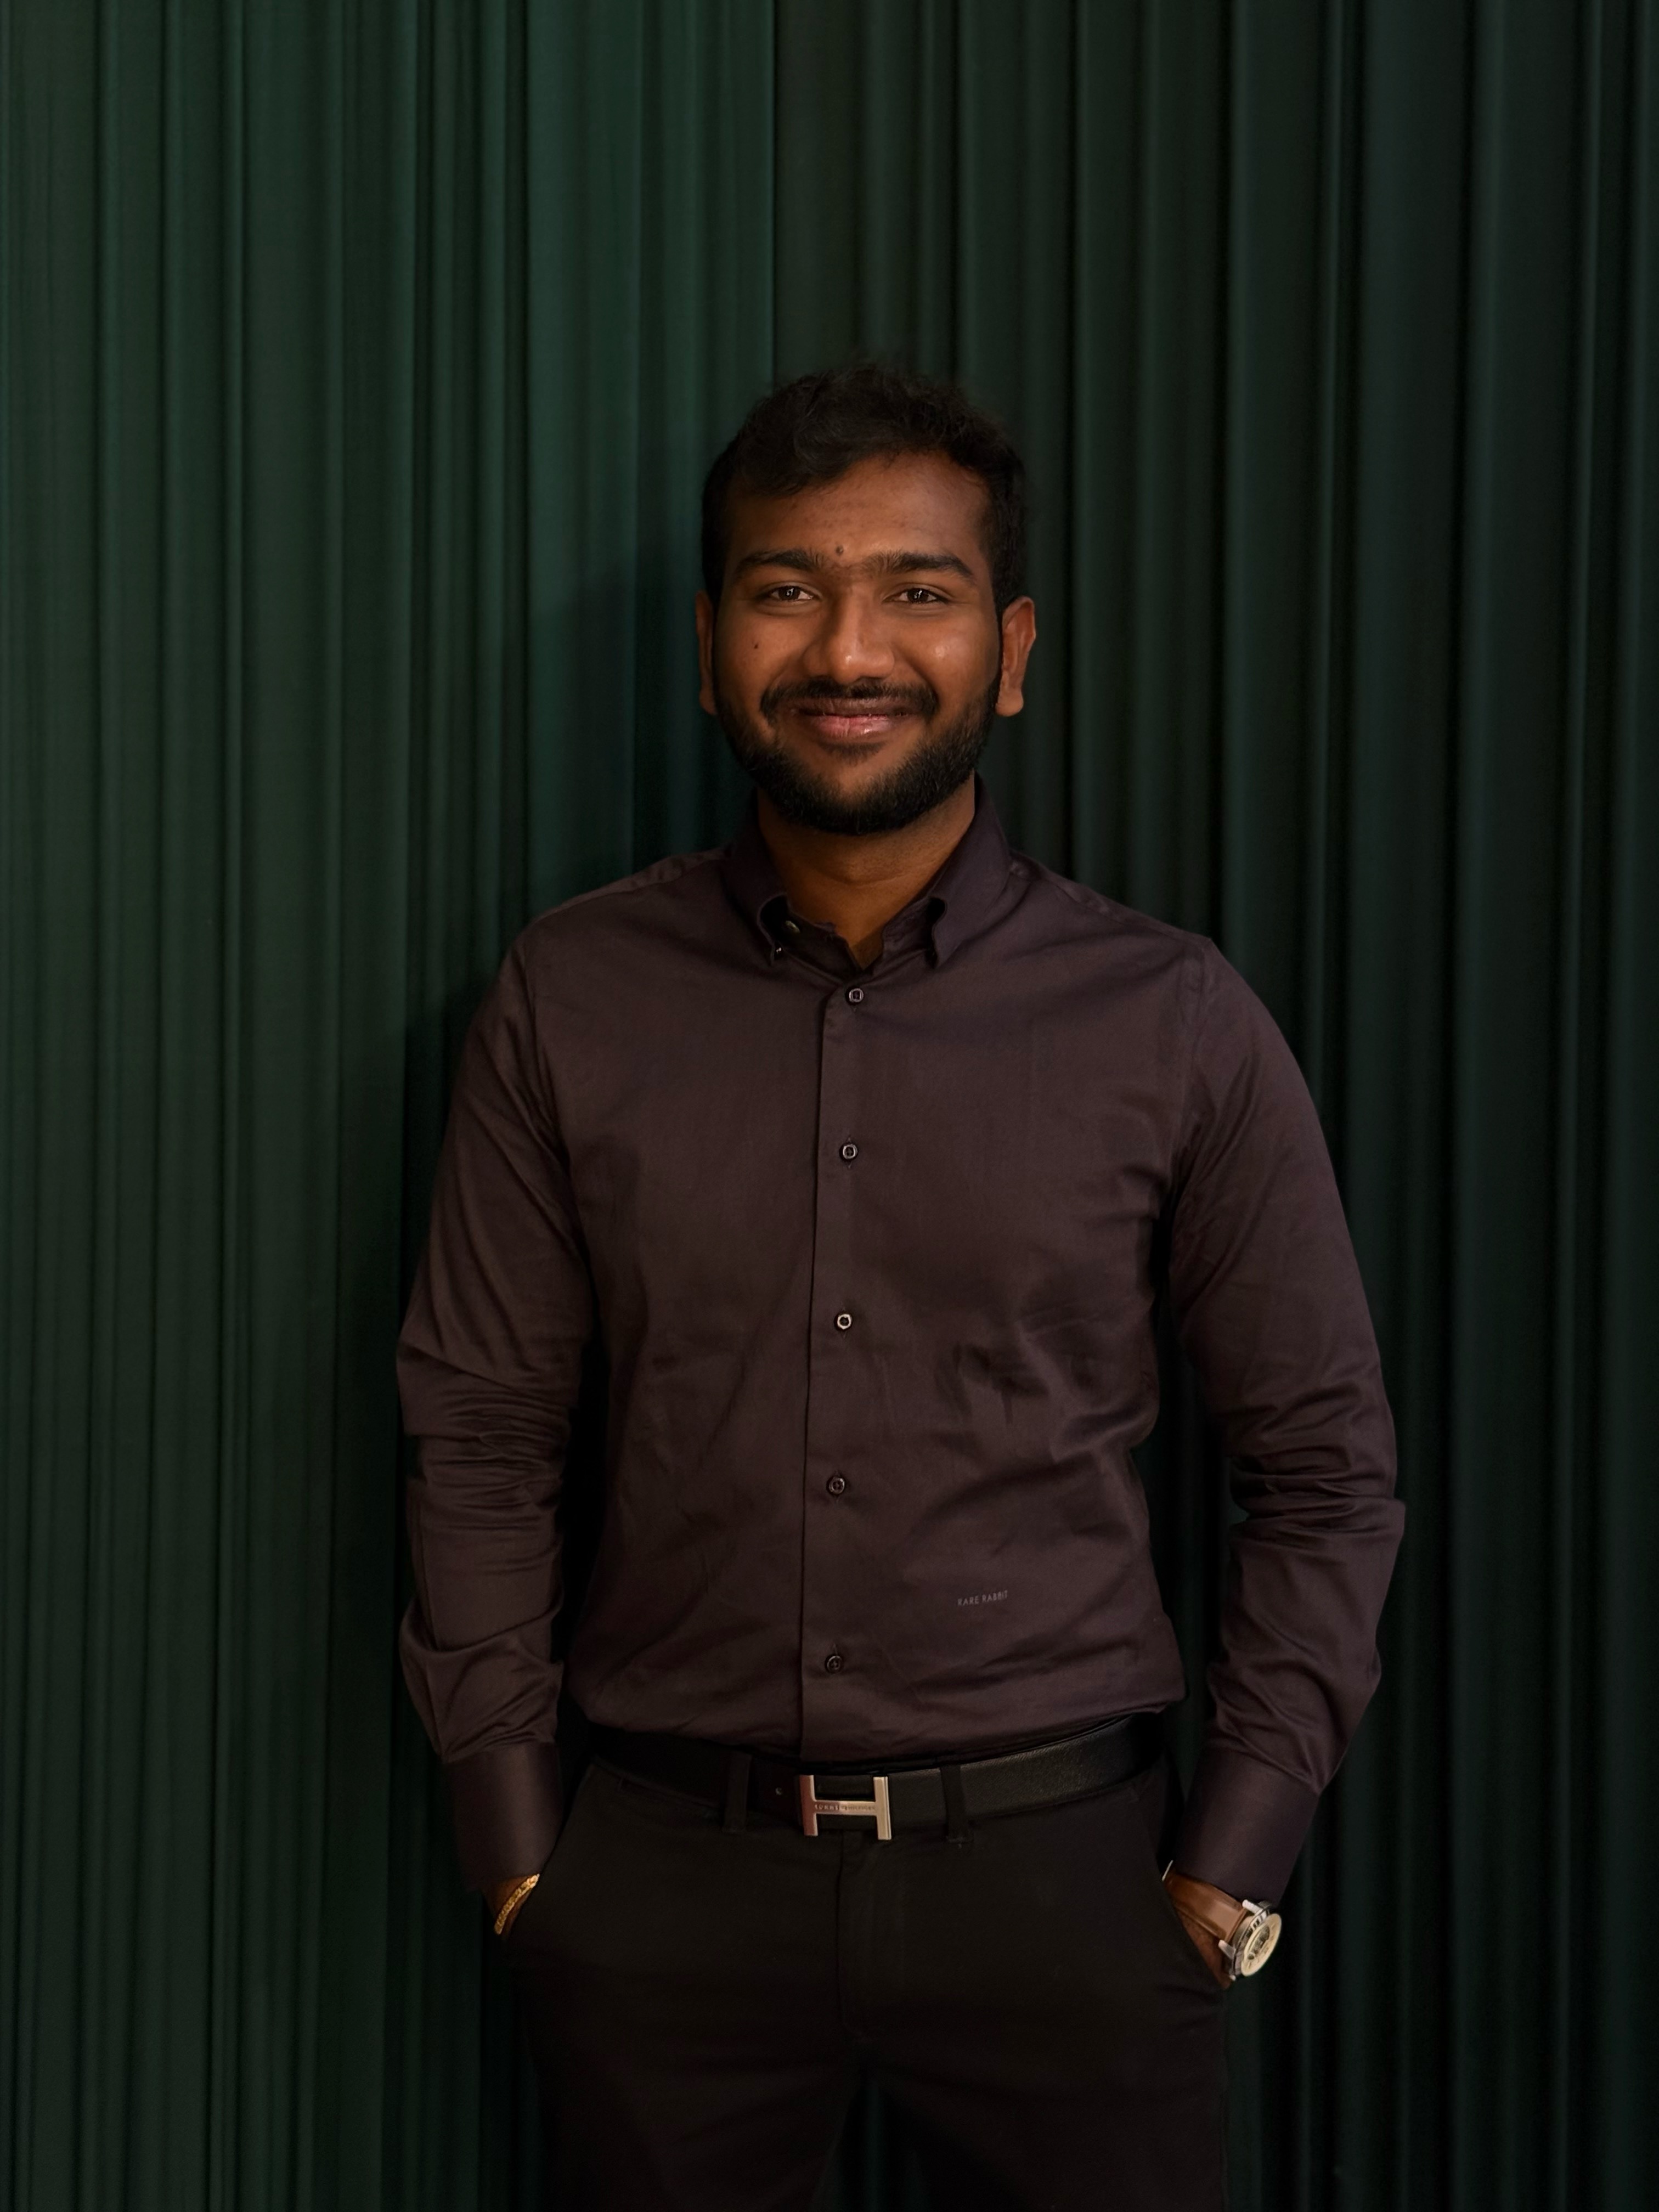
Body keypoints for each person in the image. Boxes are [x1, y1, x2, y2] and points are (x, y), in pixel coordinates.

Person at [397, 362, 1404, 2211]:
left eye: (916, 592)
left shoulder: (1174, 1020)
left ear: (1008, 652)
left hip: (1072, 1892)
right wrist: (520, 1845)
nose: (847, 650)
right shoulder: (567, 997)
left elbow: (1326, 1468)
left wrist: (1232, 1864)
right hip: (661, 1893)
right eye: (787, 589)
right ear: (712, 645)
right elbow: (479, 1434)